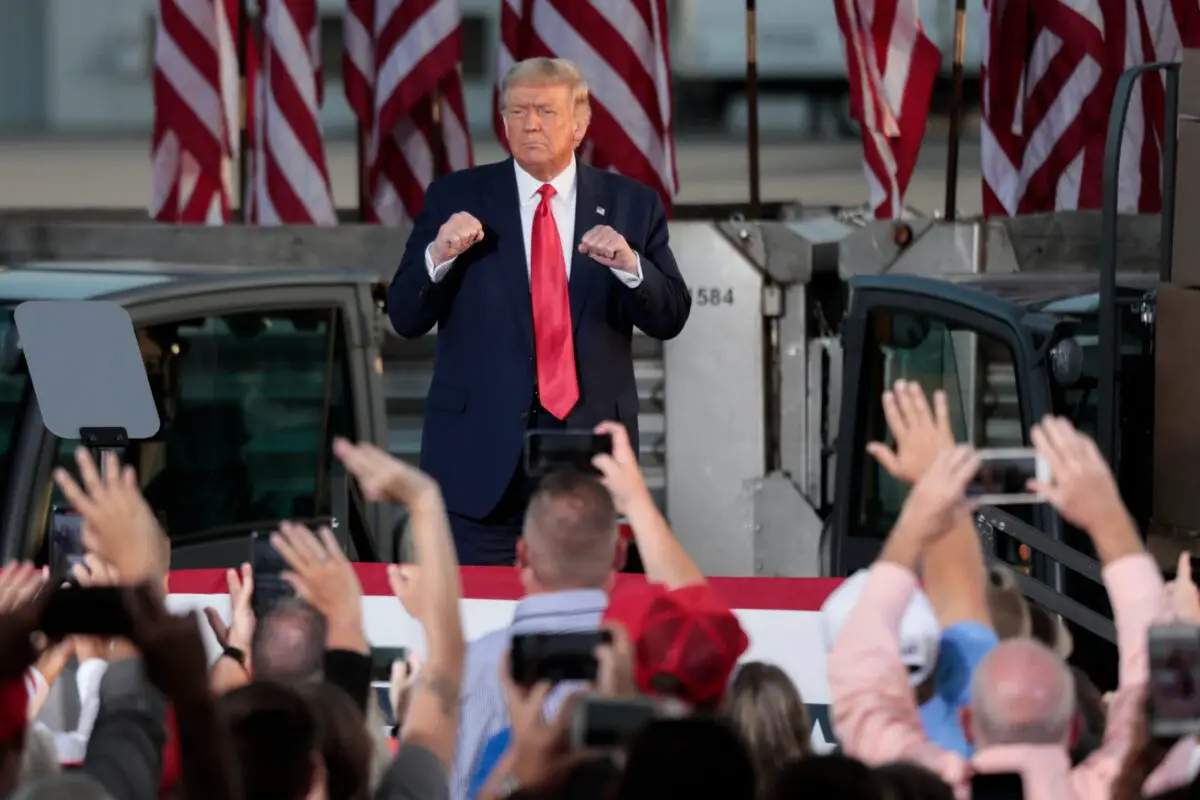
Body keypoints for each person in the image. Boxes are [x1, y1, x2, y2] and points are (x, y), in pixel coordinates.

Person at [388, 56, 692, 565]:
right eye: (518, 111)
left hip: (583, 464)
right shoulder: (456, 198)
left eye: (546, 112)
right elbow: (404, 316)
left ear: (580, 122)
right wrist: (437, 256)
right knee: (478, 623)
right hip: (475, 465)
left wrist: (630, 264)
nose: (531, 124)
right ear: (502, 120)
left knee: (574, 624)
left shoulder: (631, 205)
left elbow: (671, 316)